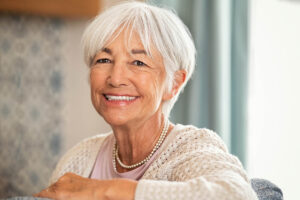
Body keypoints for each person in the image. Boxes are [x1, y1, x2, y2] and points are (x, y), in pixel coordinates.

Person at [34, 2, 258, 200]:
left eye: (138, 62)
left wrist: (105, 190)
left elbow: (237, 195)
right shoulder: (79, 158)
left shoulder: (190, 147)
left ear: (174, 83)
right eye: (104, 59)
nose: (115, 78)